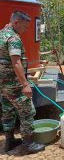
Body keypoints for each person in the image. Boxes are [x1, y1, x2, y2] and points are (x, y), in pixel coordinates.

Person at [0, 11, 45, 154]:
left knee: (8, 111)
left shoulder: (1, 34)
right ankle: (28, 144)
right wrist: (25, 84)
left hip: (3, 84)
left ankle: (9, 141)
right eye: (24, 27)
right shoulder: (13, 38)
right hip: (14, 84)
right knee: (27, 111)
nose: (25, 31)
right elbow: (16, 62)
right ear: (16, 22)